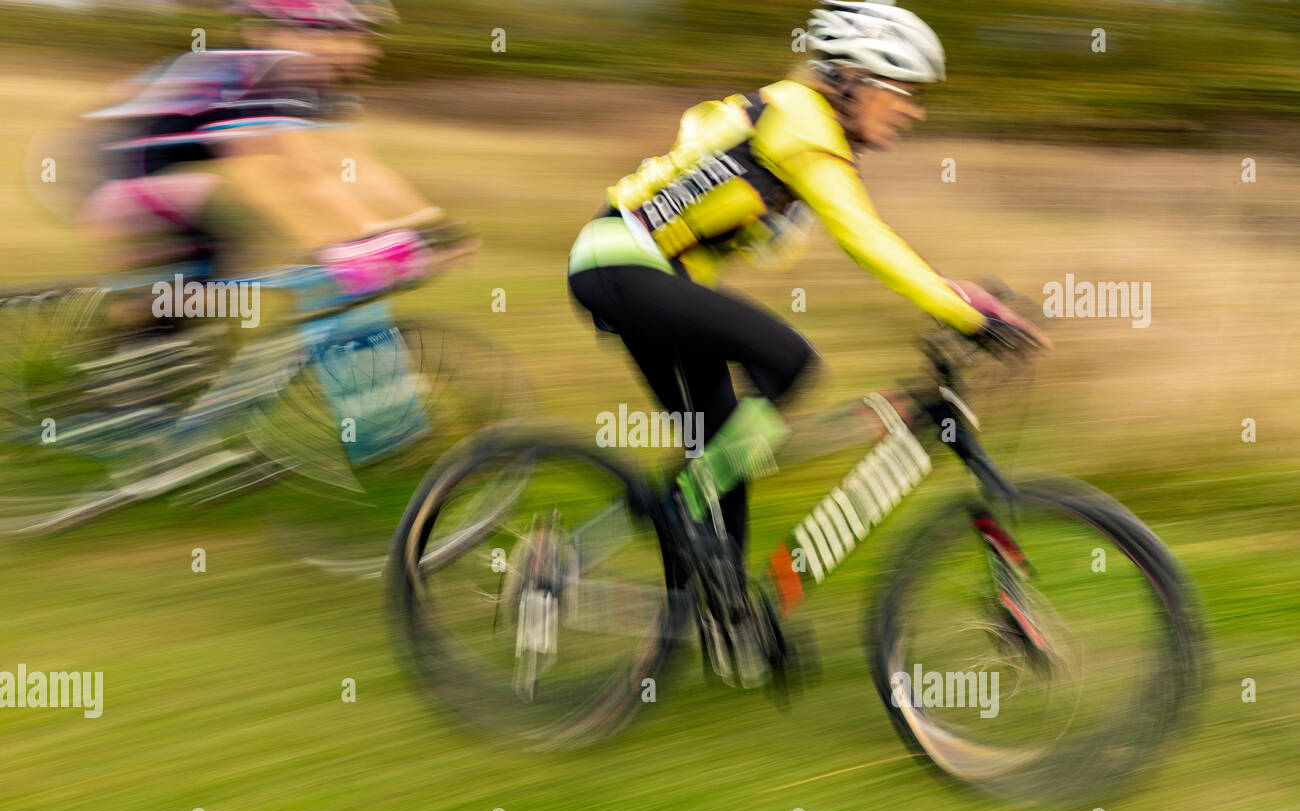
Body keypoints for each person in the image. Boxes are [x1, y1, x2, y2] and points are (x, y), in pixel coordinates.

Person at [567, 0, 1049, 597]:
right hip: (620, 267)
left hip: (641, 274)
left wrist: (955, 293)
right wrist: (966, 316)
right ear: (853, 81)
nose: (912, 109)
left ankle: (716, 614)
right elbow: (864, 237)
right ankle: (677, 509)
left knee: (724, 452)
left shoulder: (798, 125)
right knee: (790, 359)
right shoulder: (803, 126)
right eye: (901, 90)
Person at [77, 0, 472, 331]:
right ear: (308, 35)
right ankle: (127, 387)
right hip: (102, 169)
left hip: (159, 177)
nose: (371, 51)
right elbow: (290, 174)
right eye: (355, 36)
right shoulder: (264, 75)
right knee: (200, 279)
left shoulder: (323, 89)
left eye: (369, 38)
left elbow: (362, 169)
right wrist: (361, 238)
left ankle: (154, 353)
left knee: (217, 269)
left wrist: (434, 225)